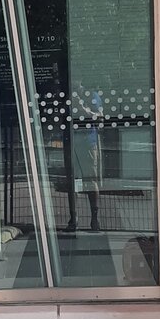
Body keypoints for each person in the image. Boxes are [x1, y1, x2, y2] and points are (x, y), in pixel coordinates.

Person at [64, 80, 103, 233]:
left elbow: (99, 117)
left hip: (88, 141)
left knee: (90, 179)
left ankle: (95, 218)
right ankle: (73, 219)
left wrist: (82, 108)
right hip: (72, 141)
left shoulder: (91, 96)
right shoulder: (66, 96)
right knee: (72, 180)